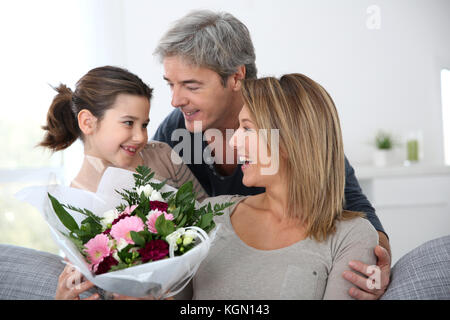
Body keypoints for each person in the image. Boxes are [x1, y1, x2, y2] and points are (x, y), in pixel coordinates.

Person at [152, 10, 391, 299]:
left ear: (236, 76)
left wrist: (375, 264)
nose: (175, 99)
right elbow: (146, 204)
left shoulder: (290, 122)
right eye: (170, 84)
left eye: (191, 86)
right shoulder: (176, 130)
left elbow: (355, 211)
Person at [38, 65, 207, 300]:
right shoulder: (72, 205)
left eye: (144, 124)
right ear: (88, 122)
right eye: (128, 123)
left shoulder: (162, 155)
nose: (140, 136)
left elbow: (209, 217)